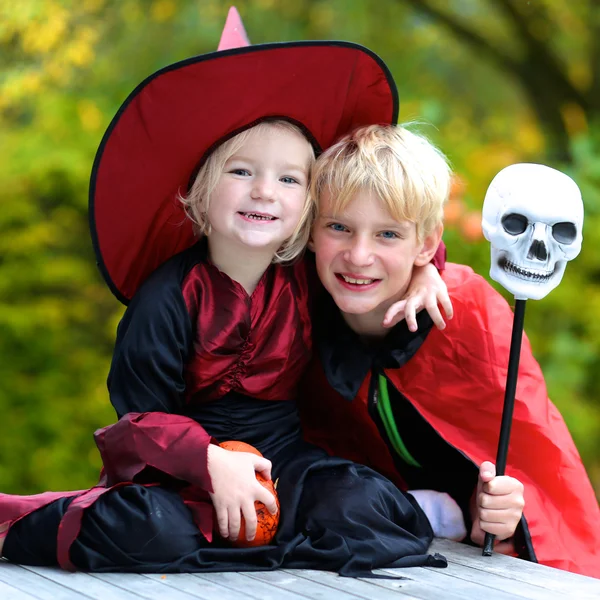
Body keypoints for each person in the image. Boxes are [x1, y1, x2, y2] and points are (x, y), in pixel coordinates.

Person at [0, 17, 451, 576]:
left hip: (280, 459)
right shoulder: (167, 296)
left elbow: (386, 243)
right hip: (180, 473)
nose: (265, 190)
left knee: (366, 504)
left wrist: (431, 266)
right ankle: (34, 529)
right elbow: (138, 419)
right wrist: (208, 462)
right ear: (197, 192)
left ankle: (255, 548)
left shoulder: (307, 277)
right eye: (242, 171)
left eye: (290, 179)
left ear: (308, 209)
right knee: (149, 529)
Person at [299, 123, 600, 578]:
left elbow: (539, 461)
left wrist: (498, 522)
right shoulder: (296, 317)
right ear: (310, 230)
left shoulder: (472, 313)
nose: (359, 256)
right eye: (339, 227)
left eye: (387, 235)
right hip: (377, 553)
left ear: (426, 242)